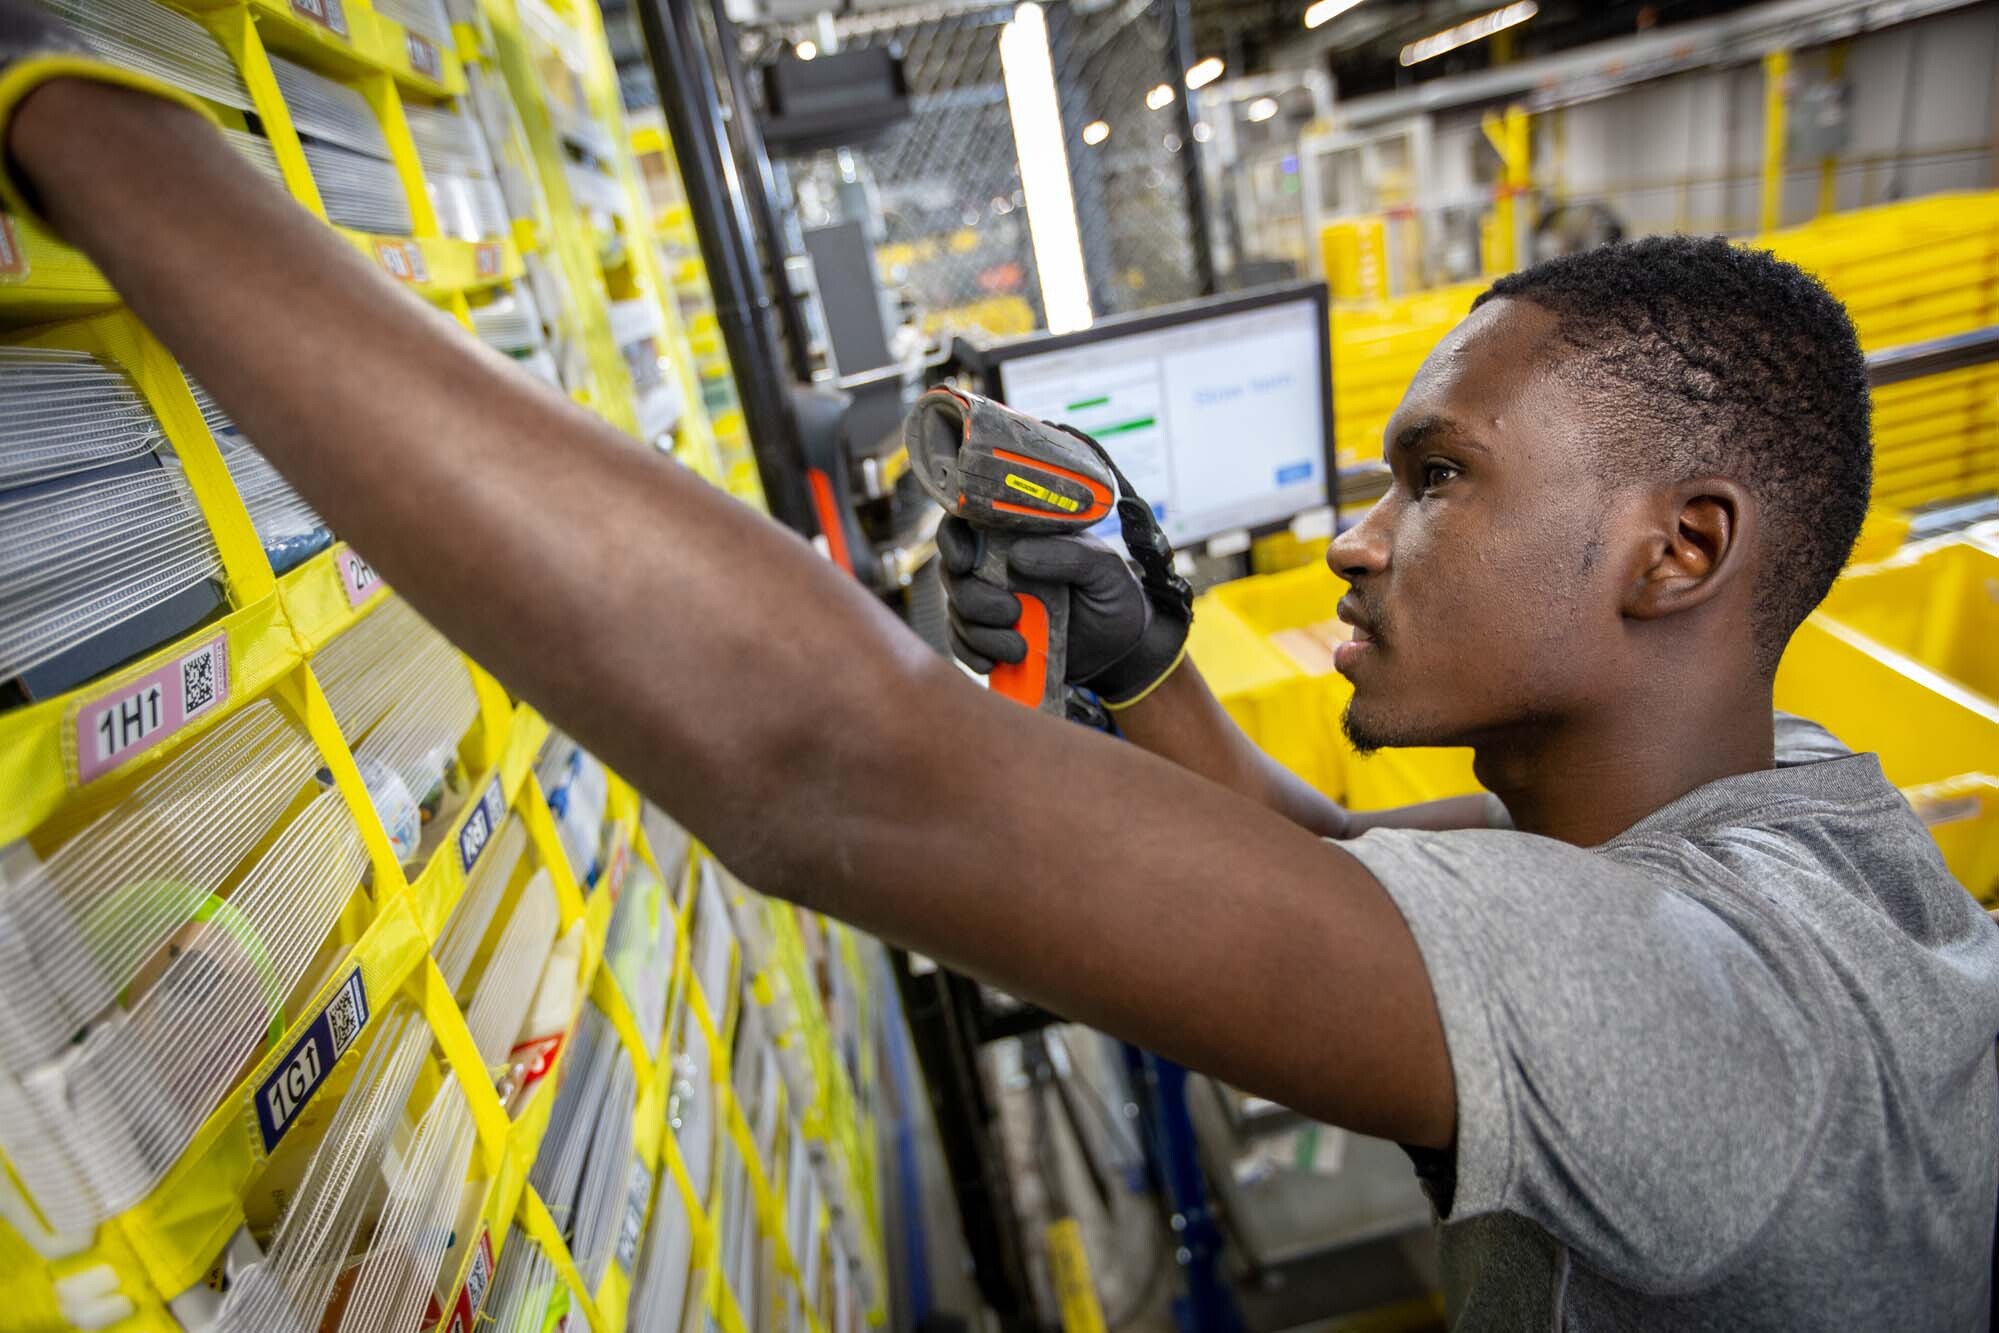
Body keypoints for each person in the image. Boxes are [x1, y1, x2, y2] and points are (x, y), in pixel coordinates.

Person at [0, 15, 1993, 1326]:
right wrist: (1143, 671)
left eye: (1434, 478)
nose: (1354, 534)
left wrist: (79, 105)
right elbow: (1375, 906)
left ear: (1682, 548)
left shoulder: (1716, 1030)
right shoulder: (1785, 824)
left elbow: (826, 764)